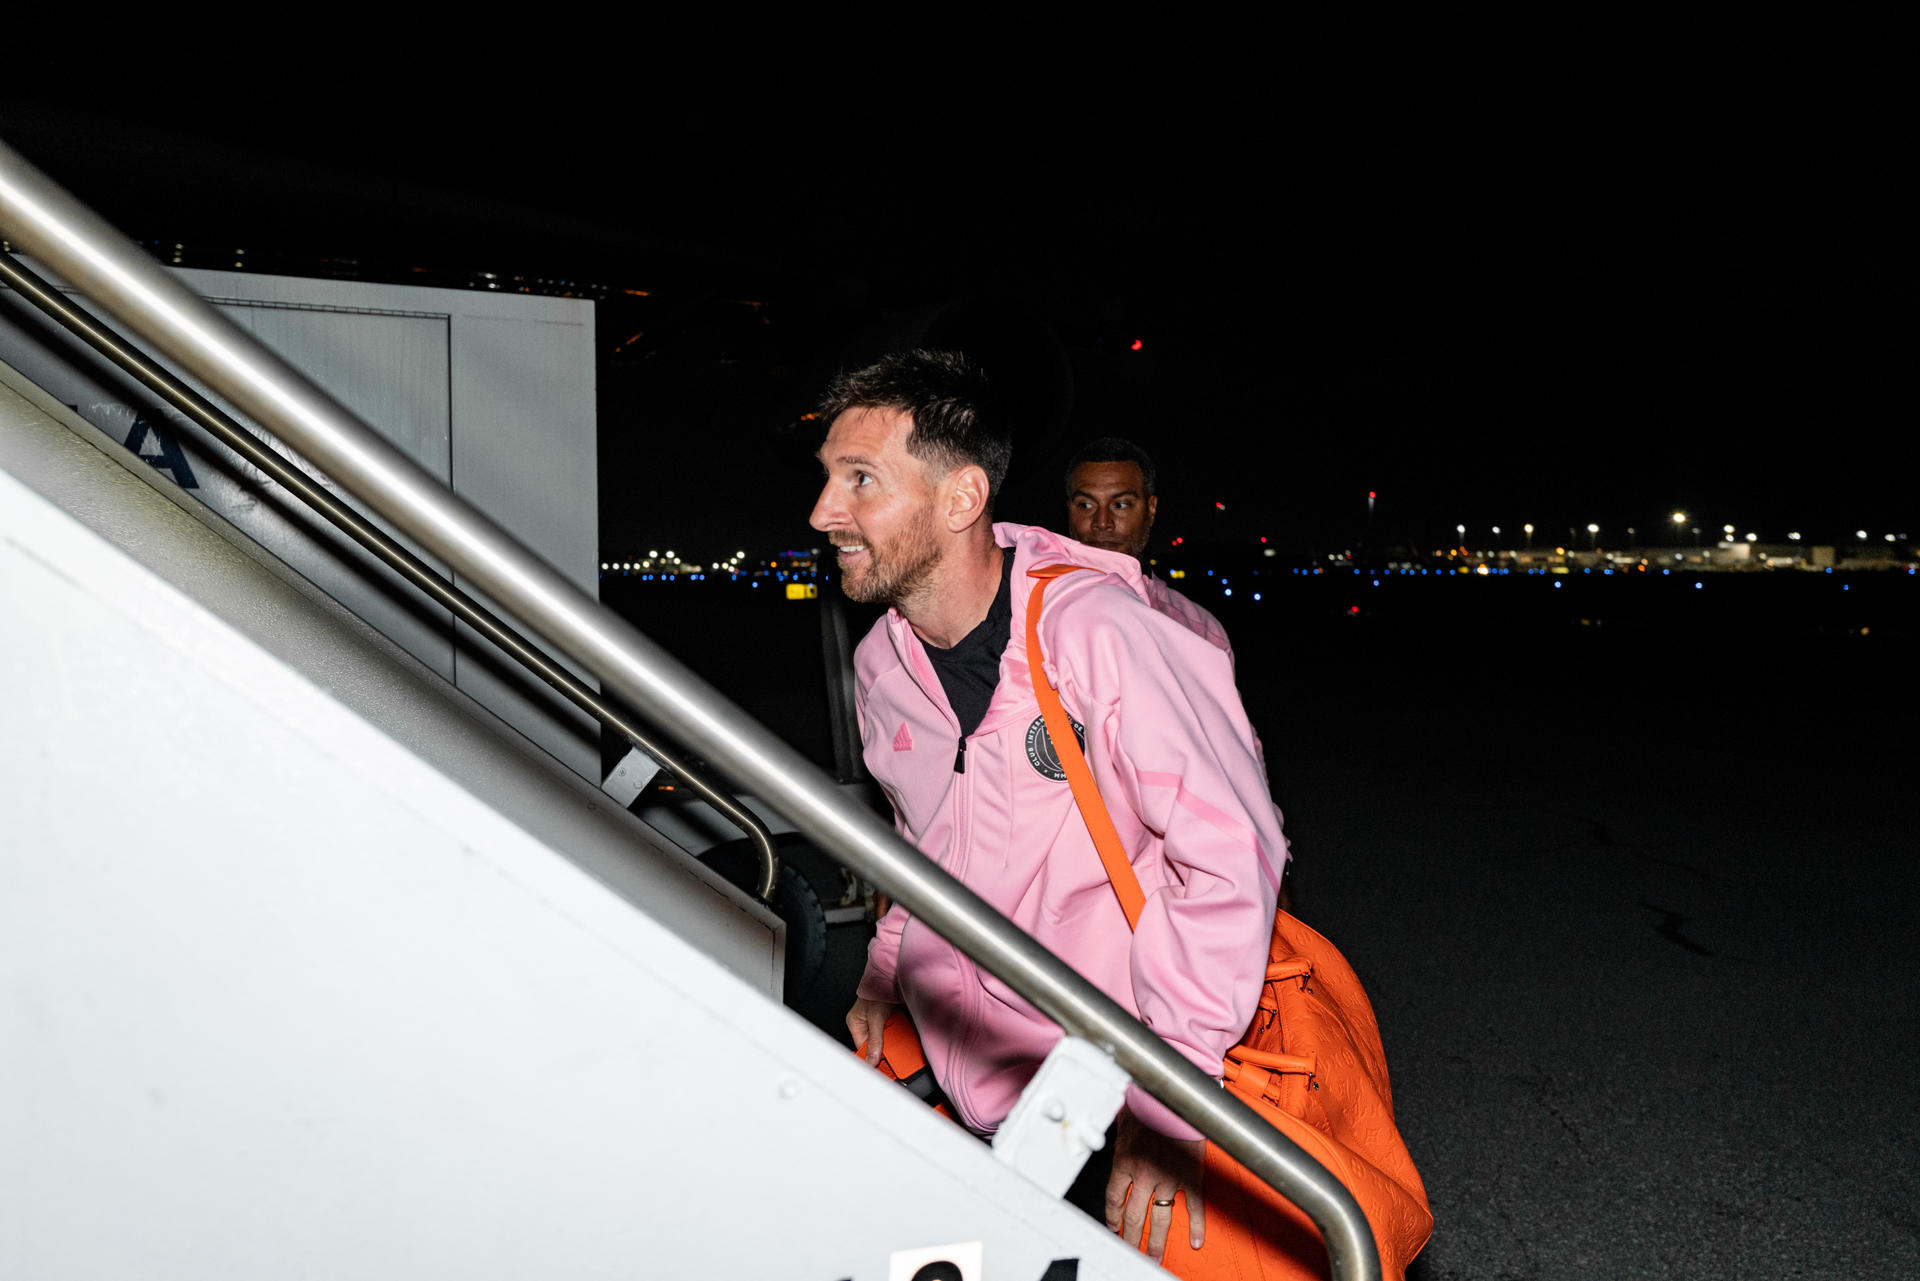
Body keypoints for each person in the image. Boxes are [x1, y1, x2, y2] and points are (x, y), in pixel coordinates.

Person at [809, 351, 1288, 1264]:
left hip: (1114, 1078)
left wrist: (1173, 1098)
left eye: (860, 479)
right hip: (971, 1070)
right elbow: (920, 845)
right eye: (829, 477)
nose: (824, 511)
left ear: (960, 499)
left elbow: (1230, 853)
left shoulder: (1098, 632)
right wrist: (882, 971)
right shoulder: (880, 664)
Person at [1064, 436, 1231, 659]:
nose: (1102, 522)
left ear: (1150, 509)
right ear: (1069, 509)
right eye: (1086, 505)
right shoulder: (1032, 607)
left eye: (1120, 505)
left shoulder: (1200, 632)